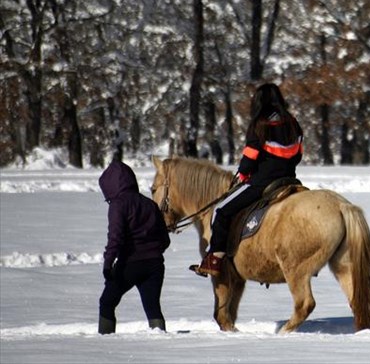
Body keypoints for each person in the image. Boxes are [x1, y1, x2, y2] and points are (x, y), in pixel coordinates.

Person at [192, 83, 303, 277]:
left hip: (263, 182)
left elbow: (250, 156)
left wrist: (243, 173)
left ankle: (214, 259)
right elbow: (298, 154)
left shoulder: (260, 124)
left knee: (221, 210)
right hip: (290, 179)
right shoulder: (293, 122)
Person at [98, 159, 171, 334]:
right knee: (153, 307)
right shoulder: (150, 204)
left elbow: (115, 238)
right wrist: (153, 251)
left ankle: (105, 341)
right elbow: (165, 240)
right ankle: (160, 341)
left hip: (129, 264)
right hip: (155, 265)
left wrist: (108, 265)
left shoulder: (118, 205)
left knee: (107, 302)